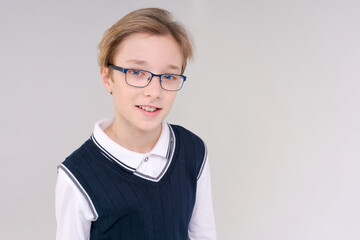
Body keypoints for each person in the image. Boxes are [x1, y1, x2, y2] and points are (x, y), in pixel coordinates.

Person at [55, 8, 216, 240]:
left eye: (169, 76)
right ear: (107, 77)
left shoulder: (193, 150)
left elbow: (204, 234)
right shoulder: (77, 176)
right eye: (137, 72)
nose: (154, 91)